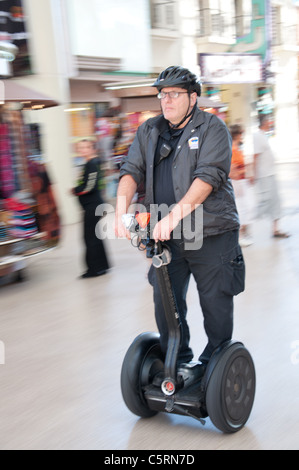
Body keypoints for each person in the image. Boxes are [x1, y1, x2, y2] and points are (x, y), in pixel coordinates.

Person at [115, 65, 245, 366]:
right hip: (167, 240)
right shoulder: (149, 131)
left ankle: (216, 367)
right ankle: (178, 361)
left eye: (174, 94)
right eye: (162, 94)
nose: (166, 100)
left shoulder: (213, 129)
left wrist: (172, 217)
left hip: (212, 234)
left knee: (215, 304)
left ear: (193, 97)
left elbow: (208, 178)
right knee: (166, 303)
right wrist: (121, 210)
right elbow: (130, 170)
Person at [72, 139, 110, 278]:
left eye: (86, 147)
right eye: (80, 147)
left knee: (90, 237)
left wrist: (76, 190)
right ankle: (102, 266)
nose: (82, 150)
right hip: (92, 205)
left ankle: (94, 269)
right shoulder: (90, 163)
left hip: (93, 206)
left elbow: (90, 185)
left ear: (92, 148)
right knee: (95, 236)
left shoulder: (93, 163)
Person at [253, 115, 289, 238]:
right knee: (265, 201)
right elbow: (255, 156)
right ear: (264, 123)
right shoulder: (257, 136)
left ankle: (275, 229)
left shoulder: (263, 136)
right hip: (264, 175)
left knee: (275, 201)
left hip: (270, 173)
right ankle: (248, 223)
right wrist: (253, 174)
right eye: (269, 121)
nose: (270, 123)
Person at [229, 124, 254, 247]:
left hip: (240, 182)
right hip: (237, 182)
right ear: (238, 135)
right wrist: (243, 171)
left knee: (244, 208)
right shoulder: (233, 149)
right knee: (241, 209)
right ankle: (239, 236)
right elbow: (232, 171)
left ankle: (241, 234)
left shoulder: (235, 148)